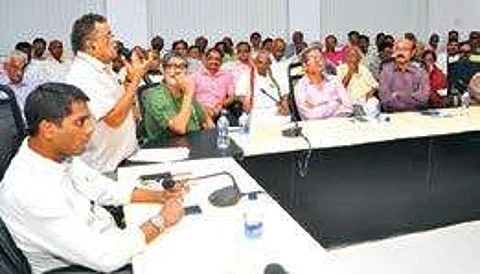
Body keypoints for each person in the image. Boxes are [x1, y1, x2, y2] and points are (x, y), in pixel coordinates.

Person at [0, 83, 185, 274]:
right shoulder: (30, 191)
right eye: (80, 122)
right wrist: (160, 221)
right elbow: (105, 257)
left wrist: (159, 196)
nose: (90, 129)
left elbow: (102, 188)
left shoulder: (56, 154)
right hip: (89, 267)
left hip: (106, 241)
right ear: (48, 129)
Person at [66, 13, 150, 173]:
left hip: (123, 159)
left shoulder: (102, 68)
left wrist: (128, 82)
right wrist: (136, 80)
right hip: (106, 170)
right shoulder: (83, 75)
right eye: (108, 36)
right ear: (92, 45)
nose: (115, 41)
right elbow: (114, 118)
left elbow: (120, 104)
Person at [143, 52, 214, 142]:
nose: (177, 71)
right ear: (162, 69)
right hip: (166, 147)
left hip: (193, 143)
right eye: (171, 66)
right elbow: (179, 128)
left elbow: (207, 121)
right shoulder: (155, 95)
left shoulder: (184, 91)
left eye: (181, 66)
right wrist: (188, 94)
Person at [294, 46, 352, 120]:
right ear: (305, 66)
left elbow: (348, 108)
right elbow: (310, 115)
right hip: (314, 128)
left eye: (321, 58)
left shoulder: (334, 80)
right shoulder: (300, 87)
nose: (319, 61)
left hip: (338, 124)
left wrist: (319, 107)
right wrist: (335, 103)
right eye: (314, 58)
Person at [378, 38, 430, 112]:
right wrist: (412, 96)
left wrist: (398, 95)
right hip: (393, 115)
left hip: (416, 115)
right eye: (398, 49)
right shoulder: (385, 72)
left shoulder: (421, 73)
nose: (400, 53)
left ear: (412, 52)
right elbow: (385, 100)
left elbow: (423, 99)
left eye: (405, 49)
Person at [236, 50, 289, 118]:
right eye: (260, 62)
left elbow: (285, 94)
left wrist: (284, 105)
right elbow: (240, 94)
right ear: (255, 62)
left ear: (270, 64)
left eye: (266, 63)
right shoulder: (246, 75)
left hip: (275, 109)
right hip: (255, 110)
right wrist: (245, 102)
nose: (263, 66)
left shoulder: (277, 75)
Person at [192, 48, 235, 119]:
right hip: (199, 110)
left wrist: (221, 105)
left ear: (221, 61)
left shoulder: (227, 76)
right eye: (210, 58)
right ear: (205, 60)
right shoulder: (195, 76)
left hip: (219, 110)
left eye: (217, 59)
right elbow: (190, 96)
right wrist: (202, 108)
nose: (214, 61)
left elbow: (232, 97)